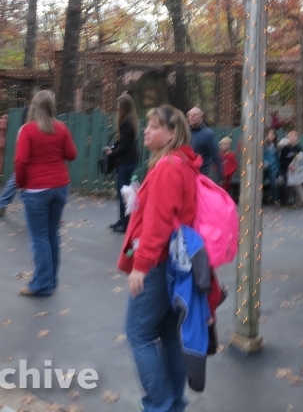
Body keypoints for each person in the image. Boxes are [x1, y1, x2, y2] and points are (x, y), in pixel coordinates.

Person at [119, 105, 201, 412]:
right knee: (167, 335)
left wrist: (140, 266)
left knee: (138, 334)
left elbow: (158, 223)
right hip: (176, 263)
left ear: (171, 132)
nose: (146, 130)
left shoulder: (167, 166)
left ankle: (159, 404)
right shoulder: (180, 163)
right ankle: (173, 403)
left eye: (154, 126)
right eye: (148, 125)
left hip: (159, 263)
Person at [16, 90, 77, 296]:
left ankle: (41, 283)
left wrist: (22, 183)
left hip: (36, 189)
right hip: (60, 186)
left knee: (39, 237)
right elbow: (71, 154)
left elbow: (21, 160)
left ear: (34, 106)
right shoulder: (61, 128)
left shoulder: (28, 130)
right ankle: (51, 279)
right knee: (52, 234)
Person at [105, 92, 140, 233]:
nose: (117, 107)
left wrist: (112, 153)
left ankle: (126, 223)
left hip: (126, 161)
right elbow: (123, 142)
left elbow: (125, 147)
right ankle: (122, 219)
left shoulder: (126, 123)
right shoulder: (130, 121)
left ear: (124, 106)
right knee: (123, 192)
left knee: (124, 193)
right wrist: (114, 146)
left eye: (119, 104)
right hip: (130, 160)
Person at [186, 107, 222, 182]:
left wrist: (222, 175)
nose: (191, 117)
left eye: (194, 115)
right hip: (187, 175)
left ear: (201, 117)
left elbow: (216, 155)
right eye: (190, 115)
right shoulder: (186, 133)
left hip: (201, 176)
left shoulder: (208, 134)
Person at [263, 128, 280, 205]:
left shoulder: (276, 146)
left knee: (274, 183)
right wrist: (264, 162)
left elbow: (277, 158)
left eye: (273, 135)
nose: (271, 136)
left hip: (272, 168)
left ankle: (274, 199)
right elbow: (260, 155)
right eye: (270, 134)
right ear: (268, 135)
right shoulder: (264, 144)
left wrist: (277, 169)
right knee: (259, 182)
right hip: (263, 167)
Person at [219, 136, 238, 201]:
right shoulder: (219, 155)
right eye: (222, 144)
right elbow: (216, 165)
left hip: (228, 176)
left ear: (228, 145)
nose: (223, 146)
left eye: (225, 144)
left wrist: (227, 173)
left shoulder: (231, 155)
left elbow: (234, 166)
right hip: (220, 176)